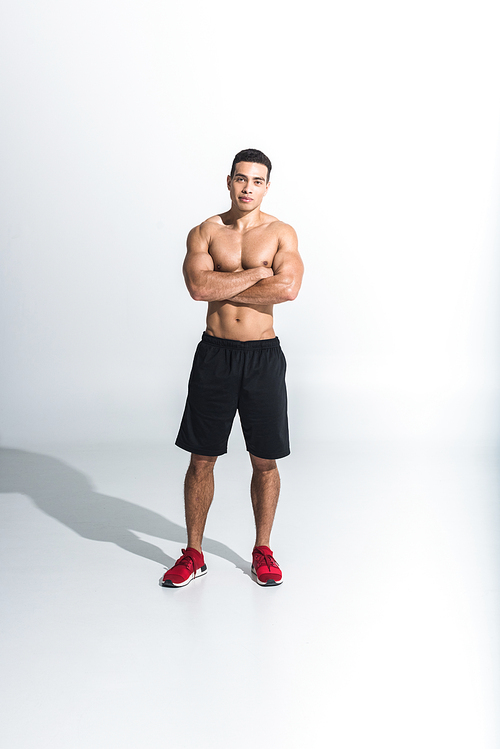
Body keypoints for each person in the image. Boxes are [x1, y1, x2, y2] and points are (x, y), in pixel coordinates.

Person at [161, 148, 303, 588]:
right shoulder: (206, 231)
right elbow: (198, 287)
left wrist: (224, 287)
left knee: (265, 460)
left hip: (262, 358)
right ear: (228, 181)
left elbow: (289, 288)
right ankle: (193, 553)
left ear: (266, 186)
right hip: (215, 356)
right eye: (241, 179)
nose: (248, 188)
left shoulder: (281, 233)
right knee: (201, 458)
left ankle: (263, 549)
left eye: (257, 181)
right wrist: (256, 275)